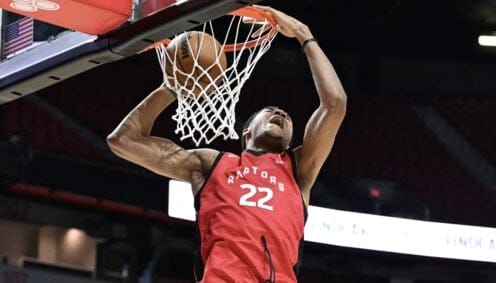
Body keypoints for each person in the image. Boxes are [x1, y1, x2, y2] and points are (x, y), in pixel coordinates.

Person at [107, 5, 347, 283]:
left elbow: (335, 104)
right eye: (270, 111)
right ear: (246, 132)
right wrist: (171, 87)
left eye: (286, 117)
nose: (280, 114)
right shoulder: (211, 164)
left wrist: (303, 34)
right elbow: (123, 141)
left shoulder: (298, 171)